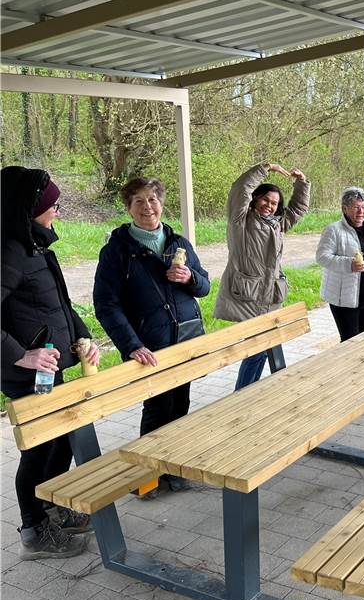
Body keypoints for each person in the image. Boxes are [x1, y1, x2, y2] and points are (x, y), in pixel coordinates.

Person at [1, 167, 100, 559]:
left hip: (53, 368)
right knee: (40, 449)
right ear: (30, 209)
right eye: (52, 205)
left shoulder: (35, 245)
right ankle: (33, 532)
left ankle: (52, 507)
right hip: (27, 375)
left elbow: (60, 304)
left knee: (61, 441)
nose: (58, 211)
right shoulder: (10, 250)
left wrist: (82, 335)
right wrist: (21, 355)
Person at [94, 177, 210, 498]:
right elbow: (106, 305)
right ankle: (146, 478)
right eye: (139, 201)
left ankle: (172, 468)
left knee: (180, 404)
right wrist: (131, 345)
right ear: (128, 208)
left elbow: (205, 286)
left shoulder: (179, 243)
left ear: (161, 203)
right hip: (150, 347)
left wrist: (189, 278)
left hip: (184, 341)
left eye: (153, 200)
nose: (148, 207)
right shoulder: (117, 252)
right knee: (157, 408)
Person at [214, 162, 310, 389]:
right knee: (257, 349)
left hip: (269, 297)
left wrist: (302, 183)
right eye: (266, 200)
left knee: (263, 350)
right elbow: (239, 189)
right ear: (256, 199)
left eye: (275, 203)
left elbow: (298, 210)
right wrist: (263, 169)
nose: (270, 205)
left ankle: (246, 391)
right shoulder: (241, 221)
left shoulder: (278, 224)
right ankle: (242, 394)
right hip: (247, 296)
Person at [317, 187, 364, 341]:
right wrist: (349, 264)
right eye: (356, 207)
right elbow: (322, 257)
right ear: (345, 209)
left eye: (363, 207)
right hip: (345, 298)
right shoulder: (334, 230)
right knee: (349, 341)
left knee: (361, 338)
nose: (360, 211)